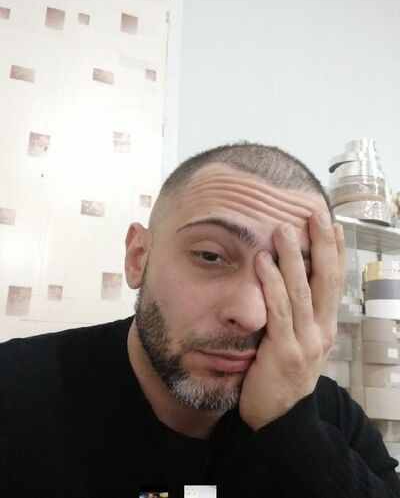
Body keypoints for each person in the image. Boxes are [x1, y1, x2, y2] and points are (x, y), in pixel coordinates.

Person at [0, 142, 399, 498]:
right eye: (210, 256)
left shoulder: (329, 413)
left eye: (292, 273)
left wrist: (290, 428)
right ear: (138, 258)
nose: (252, 315)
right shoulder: (15, 392)